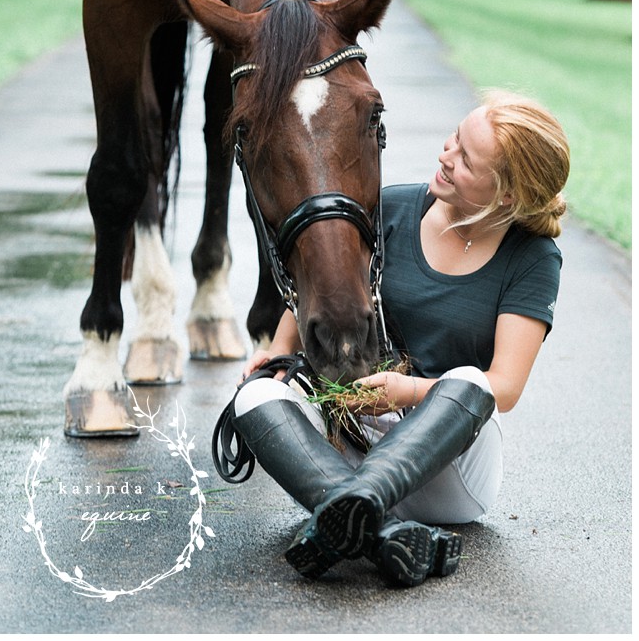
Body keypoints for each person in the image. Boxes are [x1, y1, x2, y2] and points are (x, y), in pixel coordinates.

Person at [230, 92, 569, 587]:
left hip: (451, 471)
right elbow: (320, 287)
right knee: (255, 395)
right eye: (455, 138)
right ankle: (383, 529)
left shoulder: (533, 259)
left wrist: (406, 391)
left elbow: (505, 387)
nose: (446, 155)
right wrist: (279, 354)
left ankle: (349, 508)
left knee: (472, 380)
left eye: (466, 159)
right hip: (352, 444)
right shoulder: (391, 209)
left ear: (507, 197)